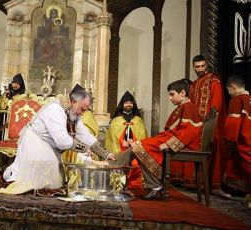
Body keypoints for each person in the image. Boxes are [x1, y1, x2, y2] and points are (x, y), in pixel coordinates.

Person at [0, 90, 113, 195]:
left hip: (49, 146)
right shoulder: (55, 109)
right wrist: (84, 148)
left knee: (54, 181)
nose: (82, 114)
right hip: (35, 141)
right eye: (82, 109)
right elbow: (62, 141)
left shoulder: (72, 113)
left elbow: (85, 135)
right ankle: (10, 173)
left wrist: (105, 154)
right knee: (38, 183)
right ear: (73, 102)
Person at [102, 79, 203, 200]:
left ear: (182, 93)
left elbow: (188, 132)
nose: (170, 98)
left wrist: (170, 145)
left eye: (172, 94)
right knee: (138, 146)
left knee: (139, 146)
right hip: (167, 138)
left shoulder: (190, 107)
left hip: (181, 143)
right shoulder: (181, 107)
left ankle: (112, 165)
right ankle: (152, 184)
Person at [189, 54, 230, 197]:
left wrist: (209, 122)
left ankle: (214, 184)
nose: (200, 69)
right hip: (196, 125)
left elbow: (216, 103)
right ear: (193, 67)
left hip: (210, 124)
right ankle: (197, 183)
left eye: (202, 66)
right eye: (197, 66)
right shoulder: (194, 84)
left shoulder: (213, 80)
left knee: (213, 151)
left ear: (207, 66)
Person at [105, 91, 147, 189]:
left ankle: (134, 184)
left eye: (130, 103)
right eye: (126, 103)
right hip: (119, 148)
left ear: (133, 105)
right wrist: (121, 141)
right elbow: (112, 134)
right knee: (119, 161)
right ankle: (117, 182)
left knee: (135, 164)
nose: (128, 104)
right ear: (122, 105)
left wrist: (134, 142)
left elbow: (142, 134)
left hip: (134, 147)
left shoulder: (138, 120)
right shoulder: (116, 120)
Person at [223, 75, 251, 208]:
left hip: (243, 142)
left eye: (228, 90)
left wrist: (230, 142)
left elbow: (233, 125)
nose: (229, 93)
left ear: (233, 87)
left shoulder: (236, 100)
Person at [61, 84, 99, 163]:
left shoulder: (86, 115)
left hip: (79, 148)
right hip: (64, 147)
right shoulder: (60, 111)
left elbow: (87, 134)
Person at [0, 73, 26, 142]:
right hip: (3, 118)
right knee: (2, 137)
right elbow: (0, 106)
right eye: (14, 83)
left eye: (17, 84)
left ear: (21, 86)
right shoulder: (6, 94)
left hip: (15, 119)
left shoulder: (22, 96)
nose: (15, 85)